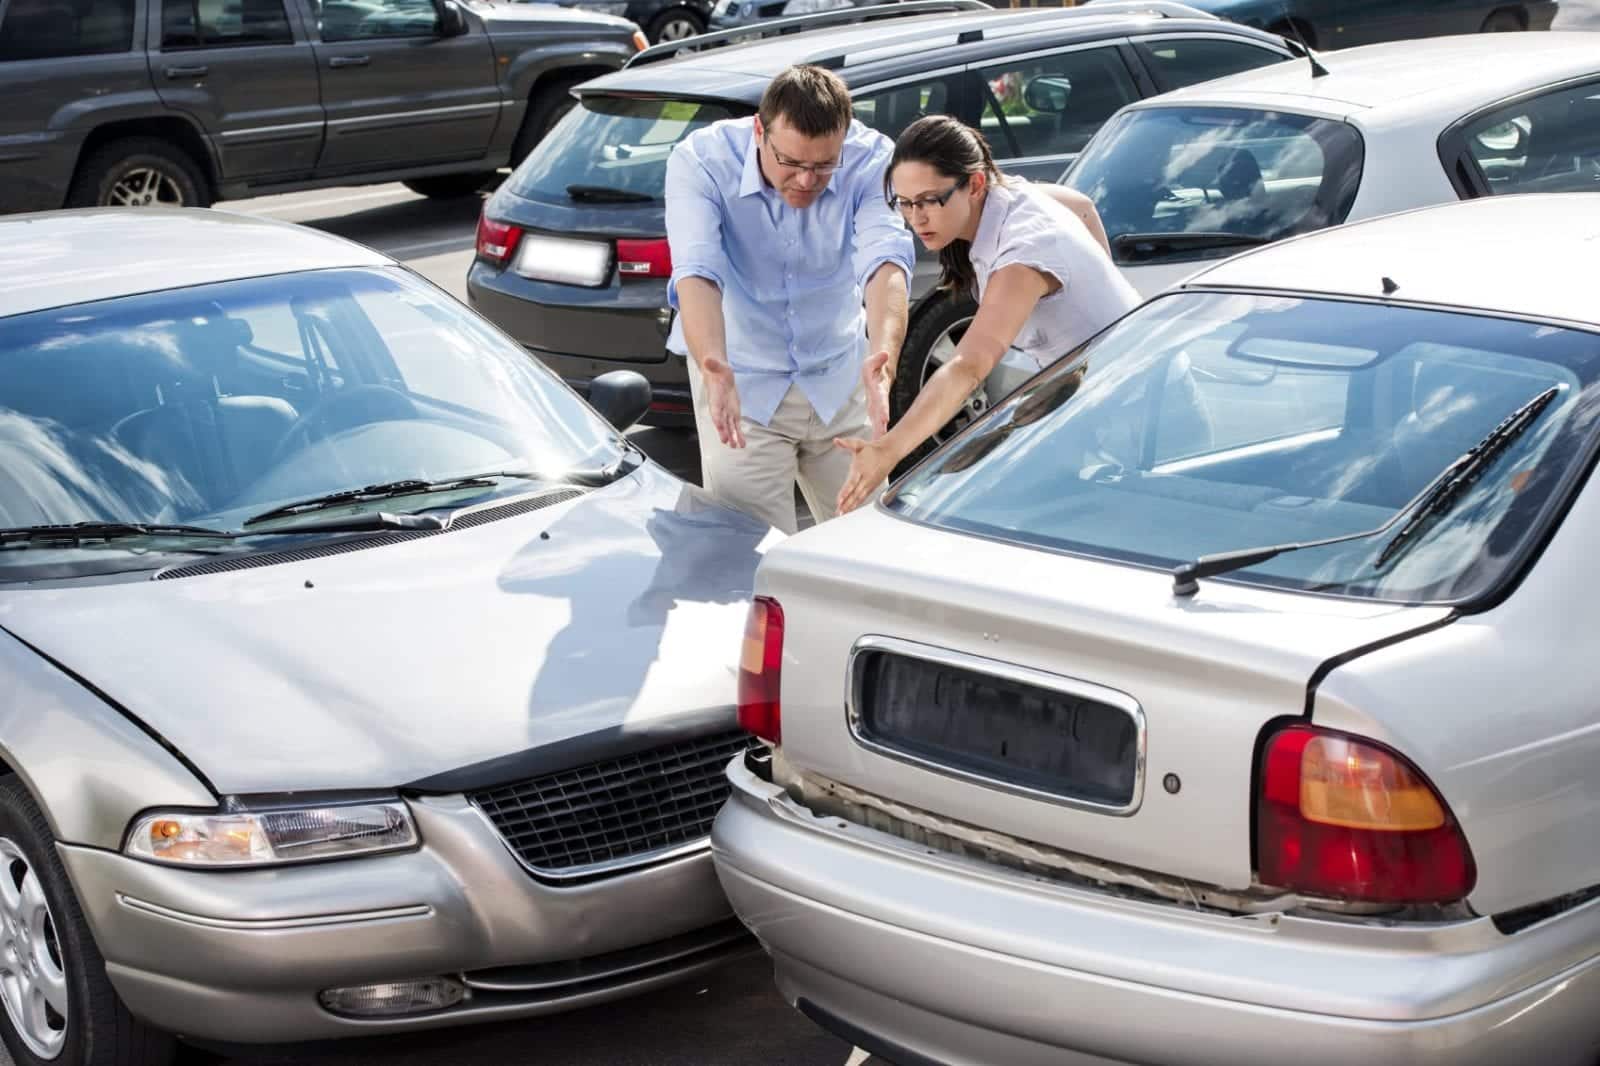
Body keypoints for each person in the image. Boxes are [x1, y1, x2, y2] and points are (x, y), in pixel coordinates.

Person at [833, 114, 1140, 514]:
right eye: (904, 203)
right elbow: (1081, 207)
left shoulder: (1025, 250)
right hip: (1096, 400)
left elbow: (968, 366)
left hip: (1138, 419)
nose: (916, 218)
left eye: (929, 201)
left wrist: (887, 451)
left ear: (974, 184)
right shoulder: (1009, 195)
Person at [664, 64, 914, 535]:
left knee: (867, 546)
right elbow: (697, 270)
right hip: (741, 389)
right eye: (792, 163)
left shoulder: (872, 158)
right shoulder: (700, 160)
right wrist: (713, 364)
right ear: (760, 131)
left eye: (823, 166)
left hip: (839, 379)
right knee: (753, 564)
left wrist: (883, 360)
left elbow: (886, 261)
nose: (806, 180)